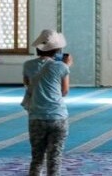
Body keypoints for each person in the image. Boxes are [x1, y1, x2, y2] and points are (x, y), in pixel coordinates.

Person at [21, 30, 73, 176]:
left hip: (36, 117)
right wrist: (66, 66)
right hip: (58, 116)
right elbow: (64, 91)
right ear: (56, 50)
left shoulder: (27, 65)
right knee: (54, 159)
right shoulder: (61, 66)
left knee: (37, 158)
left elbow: (27, 84)